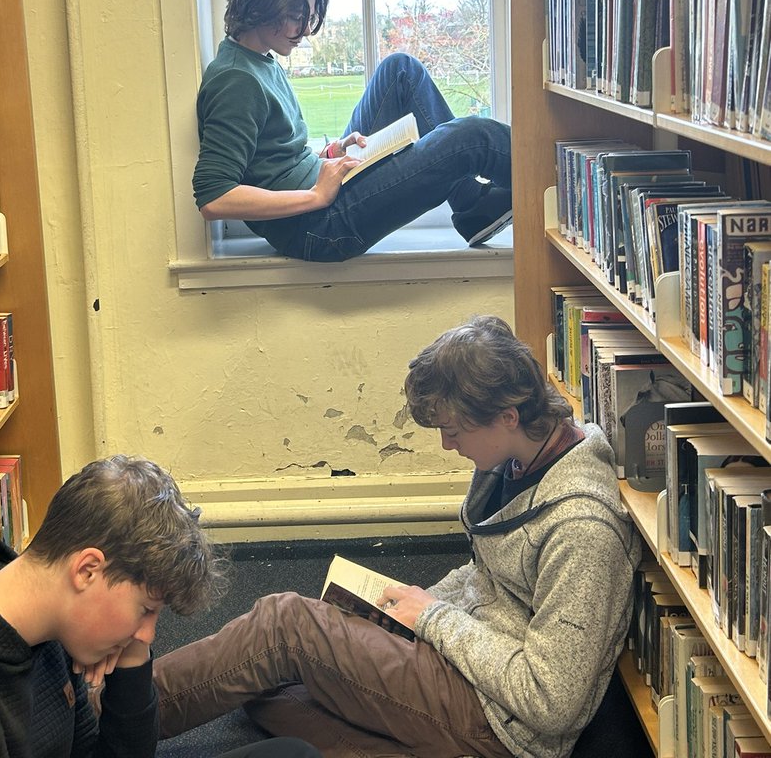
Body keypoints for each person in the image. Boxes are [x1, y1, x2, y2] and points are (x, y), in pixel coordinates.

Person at [152, 316, 642, 758]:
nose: (447, 444)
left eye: (452, 430)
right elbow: (491, 570)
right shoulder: (518, 456)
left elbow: (551, 701)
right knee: (266, 690)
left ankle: (113, 718)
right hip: (464, 657)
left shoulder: (583, 531)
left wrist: (430, 617)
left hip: (496, 718)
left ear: (507, 417)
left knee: (284, 628)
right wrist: (411, 610)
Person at [0, 454, 321, 758]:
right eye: (146, 609)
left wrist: (131, 657)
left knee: (292, 753)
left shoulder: (37, 623)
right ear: (87, 570)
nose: (148, 634)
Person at [193, 0, 512, 261]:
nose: (305, 31)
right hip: (317, 227)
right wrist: (316, 196)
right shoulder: (236, 80)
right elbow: (214, 197)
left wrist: (331, 153)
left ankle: (471, 204)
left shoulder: (260, 60)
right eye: (296, 18)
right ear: (263, 7)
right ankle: (554, 181)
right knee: (473, 138)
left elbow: (272, 159)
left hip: (319, 189)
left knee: (400, 70)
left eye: (309, 19)